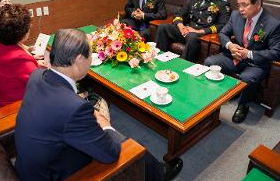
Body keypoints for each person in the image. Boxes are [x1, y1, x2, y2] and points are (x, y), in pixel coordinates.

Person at [15, 29, 183, 181]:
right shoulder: (73, 109)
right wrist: (105, 124)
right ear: (79, 59)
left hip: (33, 163)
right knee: (131, 147)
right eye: (91, 55)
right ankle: (159, 175)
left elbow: (62, 106)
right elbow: (110, 154)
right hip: (56, 172)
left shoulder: (38, 75)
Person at [204, 0, 280, 123]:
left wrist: (249, 54)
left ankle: (243, 105)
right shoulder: (236, 15)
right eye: (239, 5)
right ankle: (215, 95)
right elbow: (222, 33)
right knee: (209, 62)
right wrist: (230, 45)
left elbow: (277, 52)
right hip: (234, 57)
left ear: (258, 3)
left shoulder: (273, 24)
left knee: (247, 78)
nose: (240, 9)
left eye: (245, 5)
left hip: (255, 64)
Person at [156, 0, 231, 62]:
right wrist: (181, 27)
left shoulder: (222, 3)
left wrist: (198, 31)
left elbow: (222, 25)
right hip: (186, 31)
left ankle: (182, 67)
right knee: (163, 27)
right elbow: (180, 13)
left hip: (202, 34)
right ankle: (159, 59)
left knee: (192, 37)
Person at [0, 4, 46, 109]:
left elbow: (14, 70)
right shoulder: (20, 61)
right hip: (12, 109)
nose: (30, 26)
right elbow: (44, 88)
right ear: (21, 32)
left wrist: (35, 65)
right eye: (28, 25)